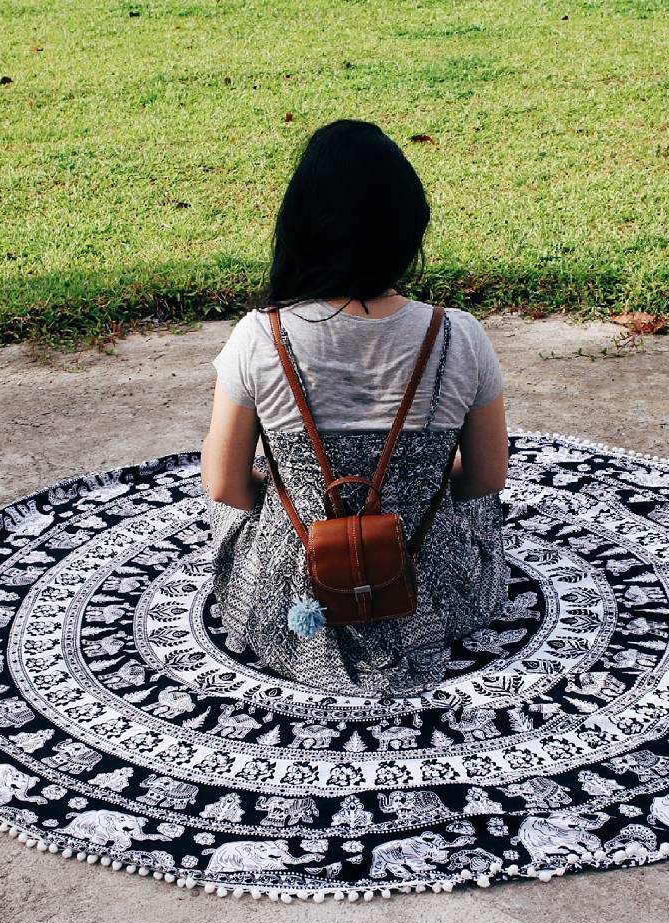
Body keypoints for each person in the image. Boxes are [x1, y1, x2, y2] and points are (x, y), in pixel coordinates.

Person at [200, 119, 510, 696]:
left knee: (247, 474)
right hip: (427, 588)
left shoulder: (259, 336)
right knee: (469, 499)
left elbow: (225, 486)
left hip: (298, 598)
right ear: (409, 227)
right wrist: (418, 483)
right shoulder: (458, 336)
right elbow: (487, 477)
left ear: (300, 228)